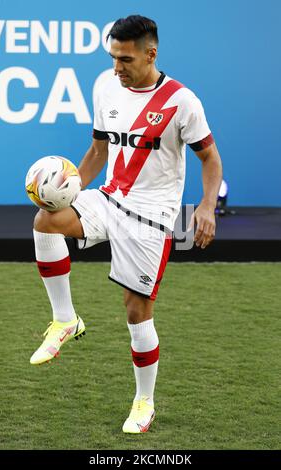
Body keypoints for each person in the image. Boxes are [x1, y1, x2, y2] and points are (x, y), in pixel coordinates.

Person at [30, 15, 223, 434]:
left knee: (137, 313)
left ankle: (144, 402)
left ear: (151, 54)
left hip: (151, 218)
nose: (117, 67)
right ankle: (65, 319)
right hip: (109, 198)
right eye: (113, 58)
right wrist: (72, 187)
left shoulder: (181, 101)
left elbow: (210, 157)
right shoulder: (107, 86)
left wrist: (207, 206)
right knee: (46, 219)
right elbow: (99, 148)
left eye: (125, 59)